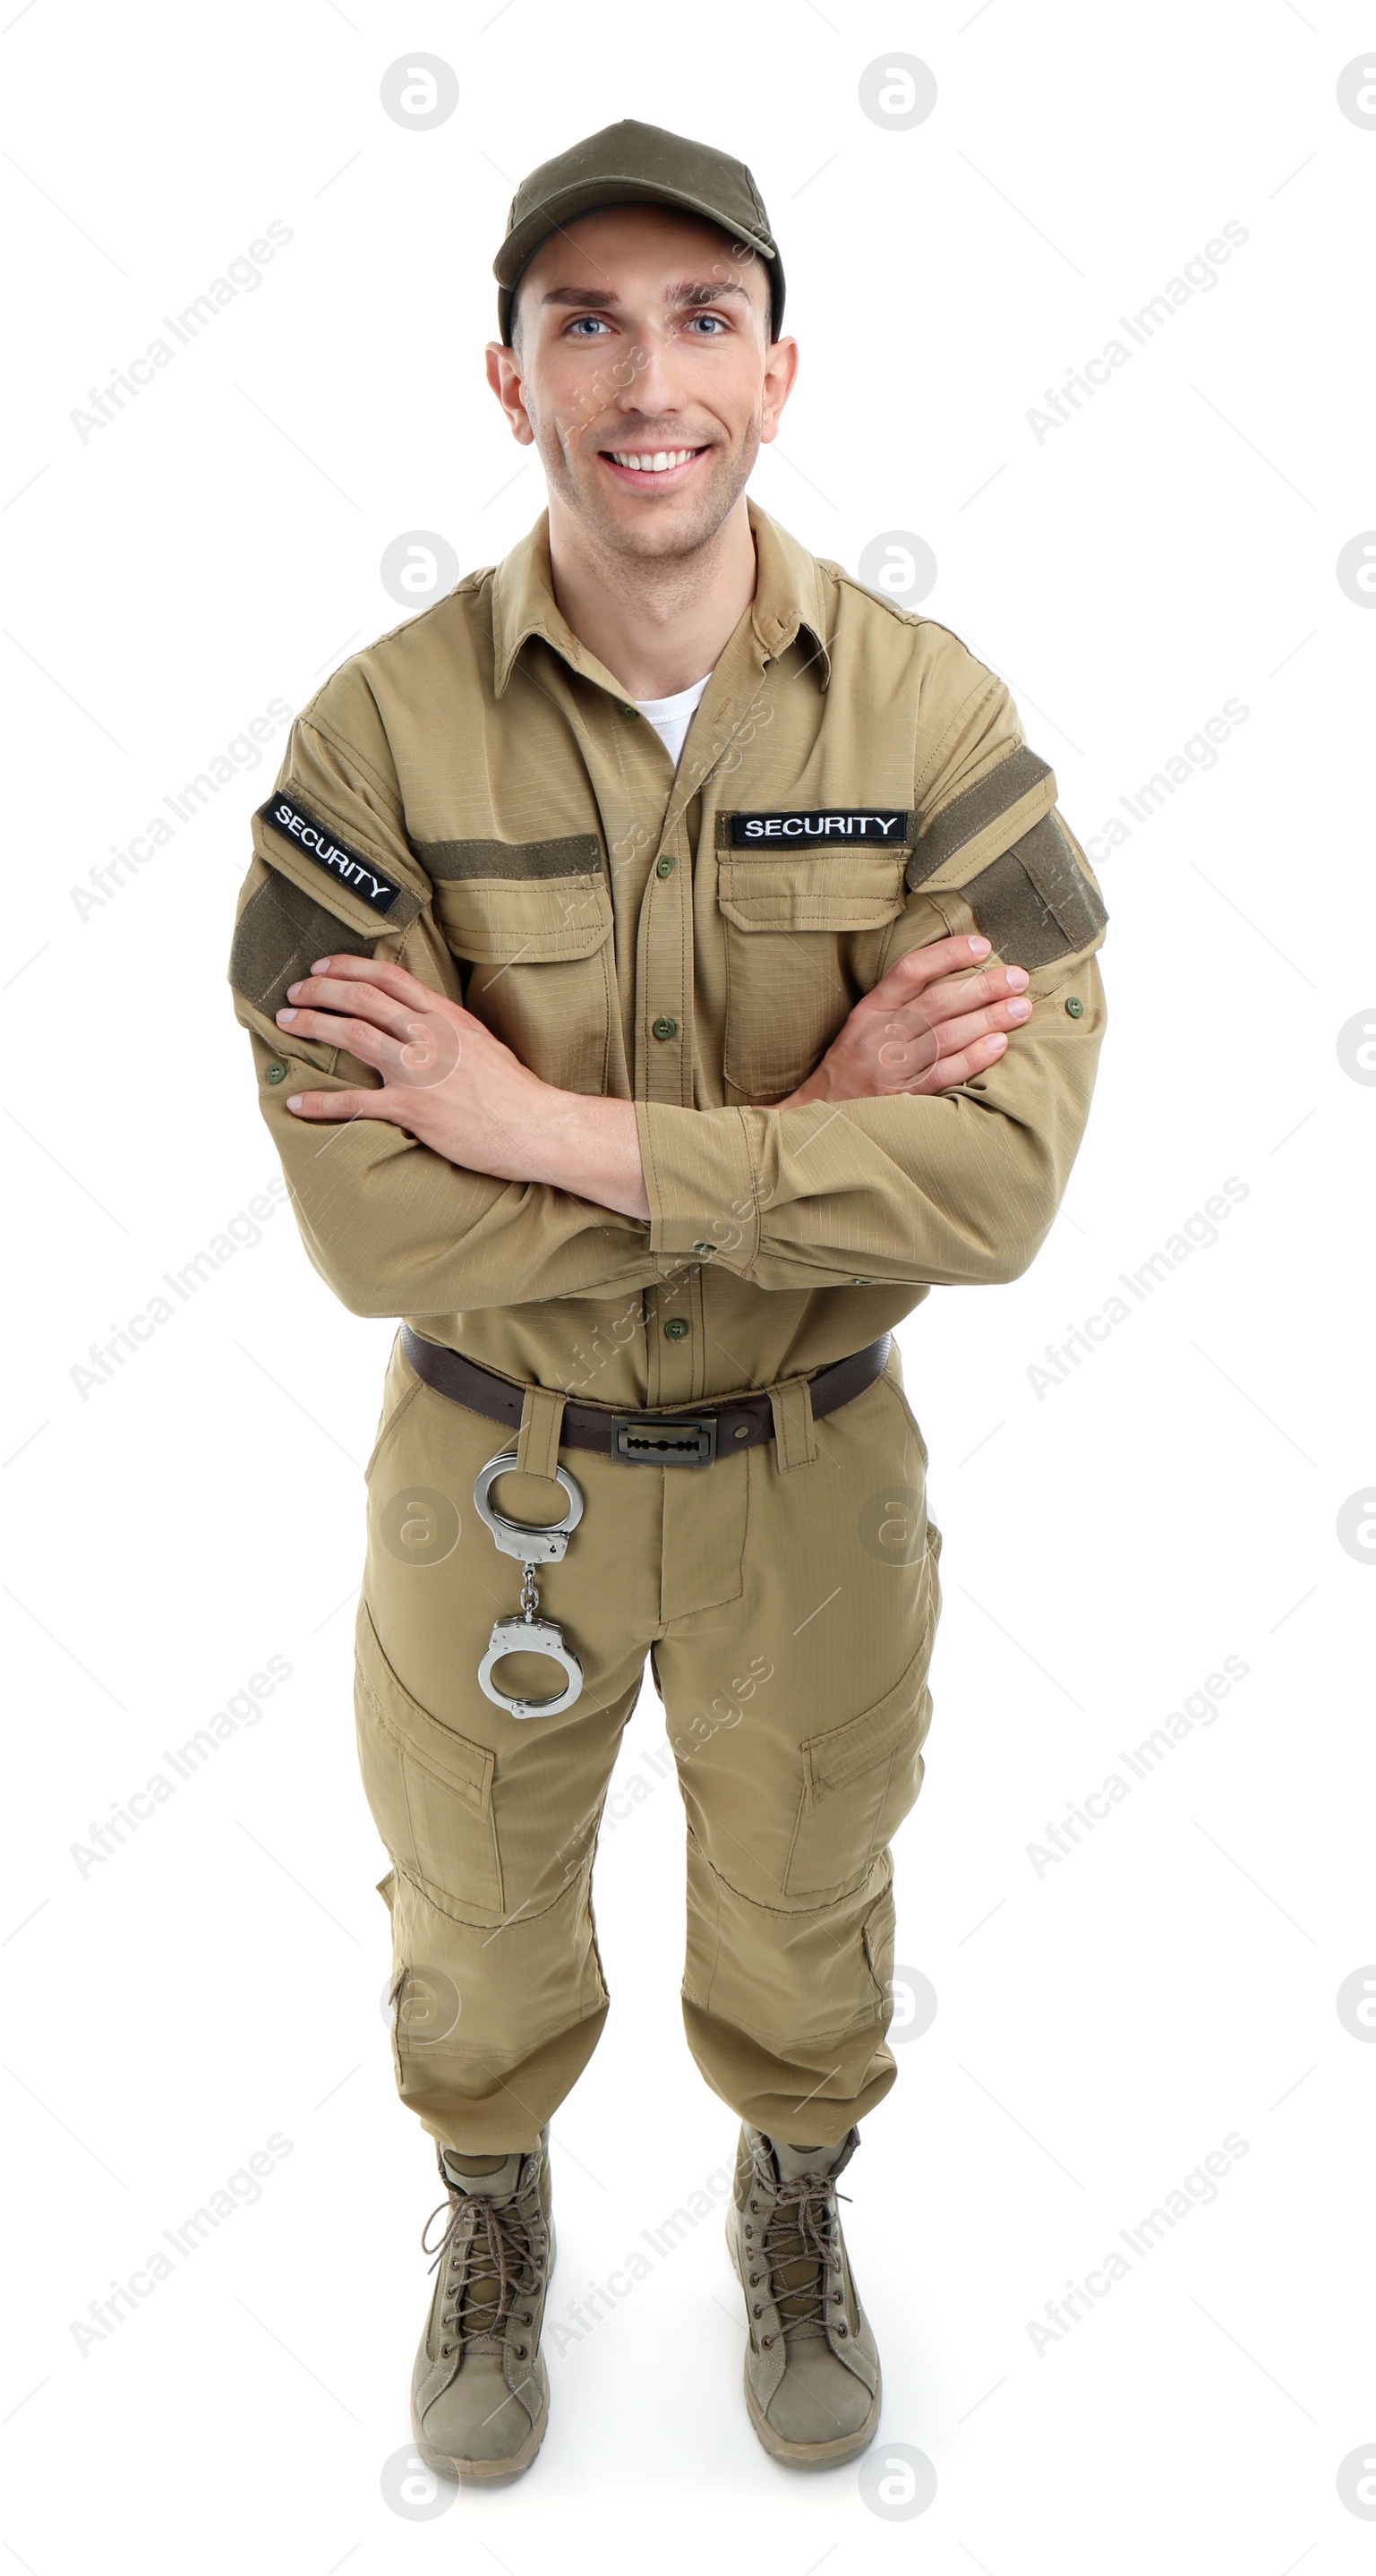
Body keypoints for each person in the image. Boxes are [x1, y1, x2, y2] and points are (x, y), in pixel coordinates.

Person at [226, 117, 1107, 2482]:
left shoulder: (924, 723)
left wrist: (541, 1127)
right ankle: (490, 2206)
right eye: (586, 321)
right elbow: (365, 1226)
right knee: (480, 1911)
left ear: (783, 370)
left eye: (702, 318)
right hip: (484, 1471)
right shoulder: (374, 743)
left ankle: (792, 2191)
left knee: (815, 1893)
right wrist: (816, 1120)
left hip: (812, 1483)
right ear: (505, 379)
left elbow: (1003, 1188)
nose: (649, 377)